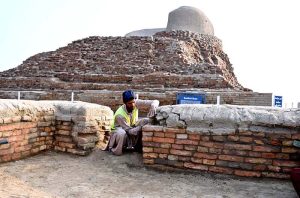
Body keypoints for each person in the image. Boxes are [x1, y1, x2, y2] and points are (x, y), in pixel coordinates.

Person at [107, 90, 159, 156]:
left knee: (146, 121)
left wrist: (153, 106)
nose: (133, 105)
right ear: (125, 103)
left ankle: (138, 146)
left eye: (133, 102)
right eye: (130, 103)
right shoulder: (120, 115)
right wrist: (141, 127)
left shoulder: (136, 103)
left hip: (132, 124)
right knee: (122, 134)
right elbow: (130, 132)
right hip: (120, 130)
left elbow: (156, 101)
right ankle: (116, 150)